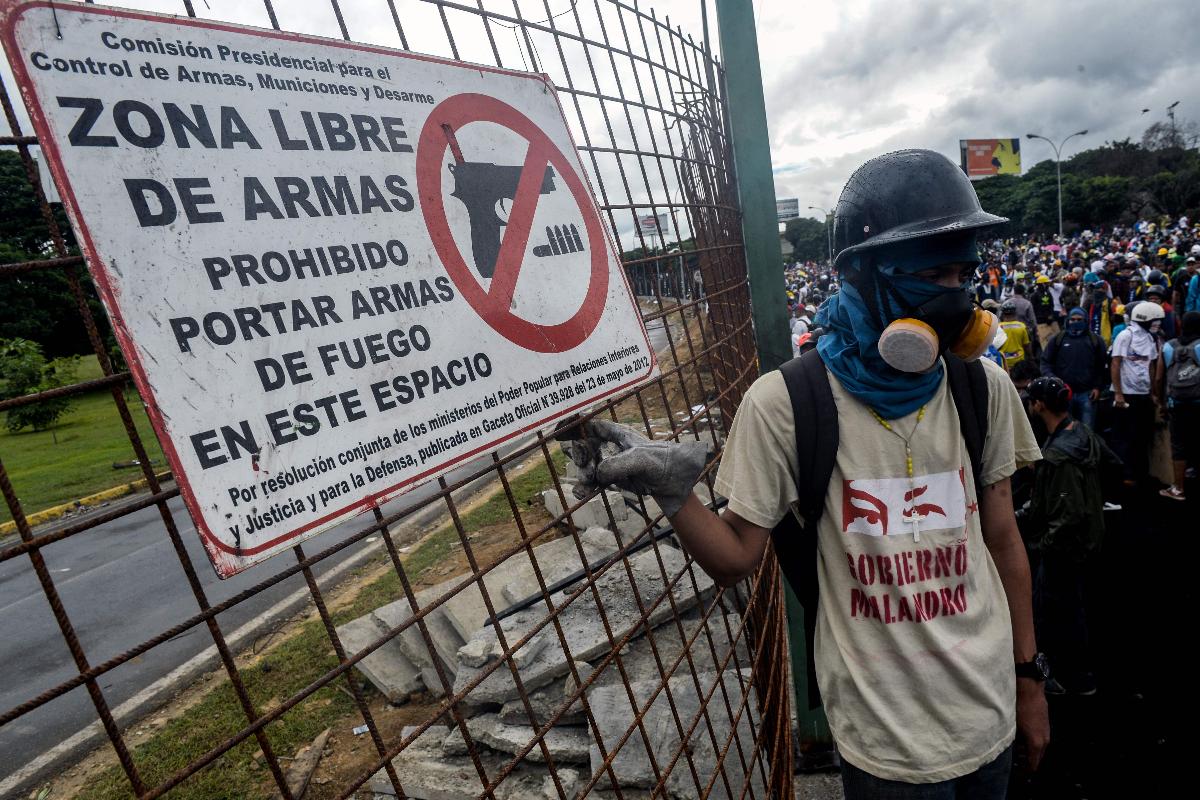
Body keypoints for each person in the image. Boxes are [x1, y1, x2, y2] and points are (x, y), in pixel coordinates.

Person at [568, 150, 1049, 797]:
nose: (957, 295)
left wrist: (1028, 678)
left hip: (987, 711)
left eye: (965, 271)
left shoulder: (980, 387)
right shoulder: (787, 405)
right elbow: (737, 557)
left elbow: (1003, 540)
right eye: (934, 272)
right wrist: (672, 490)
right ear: (863, 273)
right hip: (884, 741)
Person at [1020, 377, 1118, 696]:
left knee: (1051, 613)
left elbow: (1066, 513)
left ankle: (1068, 678)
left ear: (1040, 405)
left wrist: (1044, 544)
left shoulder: (1057, 455)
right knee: (1075, 607)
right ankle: (1082, 675)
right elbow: (1114, 464)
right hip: (1088, 539)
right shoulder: (1081, 433)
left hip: (1063, 546)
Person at [1110, 302, 1163, 486]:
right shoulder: (1125, 336)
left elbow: (1151, 365)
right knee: (1127, 436)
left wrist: (1153, 393)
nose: (1157, 324)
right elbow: (1116, 363)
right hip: (1126, 394)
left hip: (1143, 394)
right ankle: (1127, 474)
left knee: (1143, 434)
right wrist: (1118, 394)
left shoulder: (1150, 338)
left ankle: (1142, 472)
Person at [1040, 307, 1108, 430]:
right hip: (1063, 395)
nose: (1076, 322)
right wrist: (1054, 381)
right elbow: (1045, 363)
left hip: (1087, 394)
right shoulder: (1058, 339)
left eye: (1079, 319)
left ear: (1086, 321)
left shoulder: (1096, 341)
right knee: (1064, 430)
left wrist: (1098, 387)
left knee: (1087, 430)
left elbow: (1102, 367)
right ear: (1068, 320)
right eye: (1073, 319)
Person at [1159, 311, 1200, 501]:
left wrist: (1160, 402)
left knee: (1179, 445)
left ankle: (1178, 488)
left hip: (1177, 403)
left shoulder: (1168, 346)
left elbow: (1159, 377)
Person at [998, 301, 1032, 369]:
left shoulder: (998, 327)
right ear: (1015, 313)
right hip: (1019, 361)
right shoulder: (1022, 326)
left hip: (1004, 362)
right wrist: (1031, 357)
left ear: (1003, 314)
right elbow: (1027, 345)